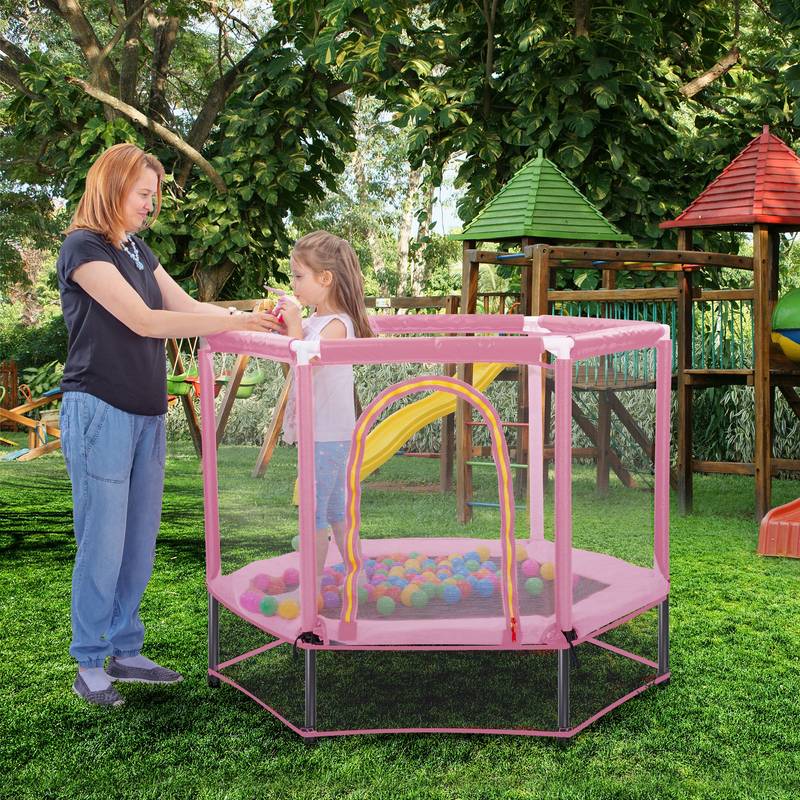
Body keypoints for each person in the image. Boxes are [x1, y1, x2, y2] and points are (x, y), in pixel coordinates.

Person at [57, 143, 276, 707]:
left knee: (138, 543)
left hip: (147, 411)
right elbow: (145, 320)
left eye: (154, 196)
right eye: (142, 194)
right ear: (112, 187)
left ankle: (125, 649)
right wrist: (235, 319)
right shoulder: (83, 248)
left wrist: (244, 317)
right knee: (103, 542)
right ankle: (90, 660)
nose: (150, 205)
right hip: (99, 408)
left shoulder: (136, 249)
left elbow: (185, 306)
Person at [271, 231, 373, 577]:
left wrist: (294, 324)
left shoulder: (338, 326)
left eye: (299, 277)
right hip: (321, 434)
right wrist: (284, 326)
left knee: (315, 512)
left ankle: (311, 588)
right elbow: (295, 351)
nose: (293, 284)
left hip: (329, 437)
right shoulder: (315, 322)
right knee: (333, 510)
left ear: (325, 278)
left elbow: (304, 365)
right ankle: (356, 573)